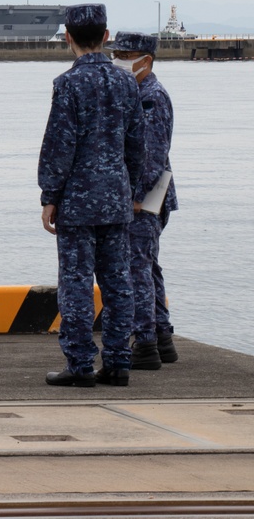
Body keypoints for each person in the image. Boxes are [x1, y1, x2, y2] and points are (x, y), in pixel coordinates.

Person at [38, 4, 145, 387]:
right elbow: (138, 146)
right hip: (116, 199)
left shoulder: (68, 85)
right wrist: (132, 190)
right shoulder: (126, 83)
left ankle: (81, 364)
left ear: (68, 37)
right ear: (106, 35)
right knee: (119, 283)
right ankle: (118, 362)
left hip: (78, 202)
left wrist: (49, 195)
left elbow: (59, 145)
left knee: (77, 283)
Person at [107, 31, 179, 368]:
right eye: (116, 53)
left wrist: (135, 198)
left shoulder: (151, 96)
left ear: (145, 60)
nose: (117, 60)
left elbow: (152, 154)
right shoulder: (136, 91)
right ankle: (162, 339)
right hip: (148, 195)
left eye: (124, 54)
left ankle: (145, 346)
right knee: (147, 266)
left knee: (136, 268)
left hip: (145, 198)